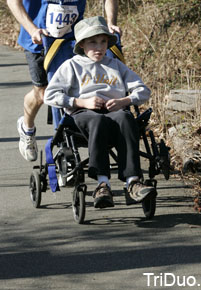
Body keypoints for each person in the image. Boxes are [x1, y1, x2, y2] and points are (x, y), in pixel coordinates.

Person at [2, 0, 120, 162]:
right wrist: (32, 28)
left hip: (73, 38)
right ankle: (27, 127)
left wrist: (110, 22)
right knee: (44, 94)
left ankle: (68, 147)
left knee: (74, 92)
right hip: (39, 39)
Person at [44, 16, 156, 208]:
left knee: (126, 117)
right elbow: (50, 95)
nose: (99, 47)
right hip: (83, 114)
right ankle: (102, 184)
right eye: (93, 42)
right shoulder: (72, 66)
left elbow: (143, 90)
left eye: (103, 41)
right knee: (98, 121)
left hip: (115, 112)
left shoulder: (115, 65)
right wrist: (81, 101)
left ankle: (133, 183)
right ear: (82, 45)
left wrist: (125, 100)